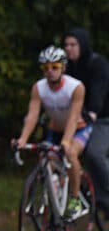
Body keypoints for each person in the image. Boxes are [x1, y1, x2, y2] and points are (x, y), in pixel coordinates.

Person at [13, 46, 90, 218]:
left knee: (70, 154)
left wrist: (66, 141)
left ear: (63, 67)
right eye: (45, 68)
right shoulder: (39, 88)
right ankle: (57, 193)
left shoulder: (75, 87)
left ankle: (75, 198)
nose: (50, 71)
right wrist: (23, 139)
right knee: (46, 159)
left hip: (78, 128)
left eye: (54, 67)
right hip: (55, 129)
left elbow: (73, 117)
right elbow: (32, 116)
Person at [63, 28, 109, 214]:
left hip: (102, 119)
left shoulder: (97, 64)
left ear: (82, 45)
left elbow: (99, 91)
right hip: (77, 118)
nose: (69, 49)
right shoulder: (66, 67)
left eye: (73, 45)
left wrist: (92, 113)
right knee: (59, 152)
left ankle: (105, 195)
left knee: (94, 154)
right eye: (66, 45)